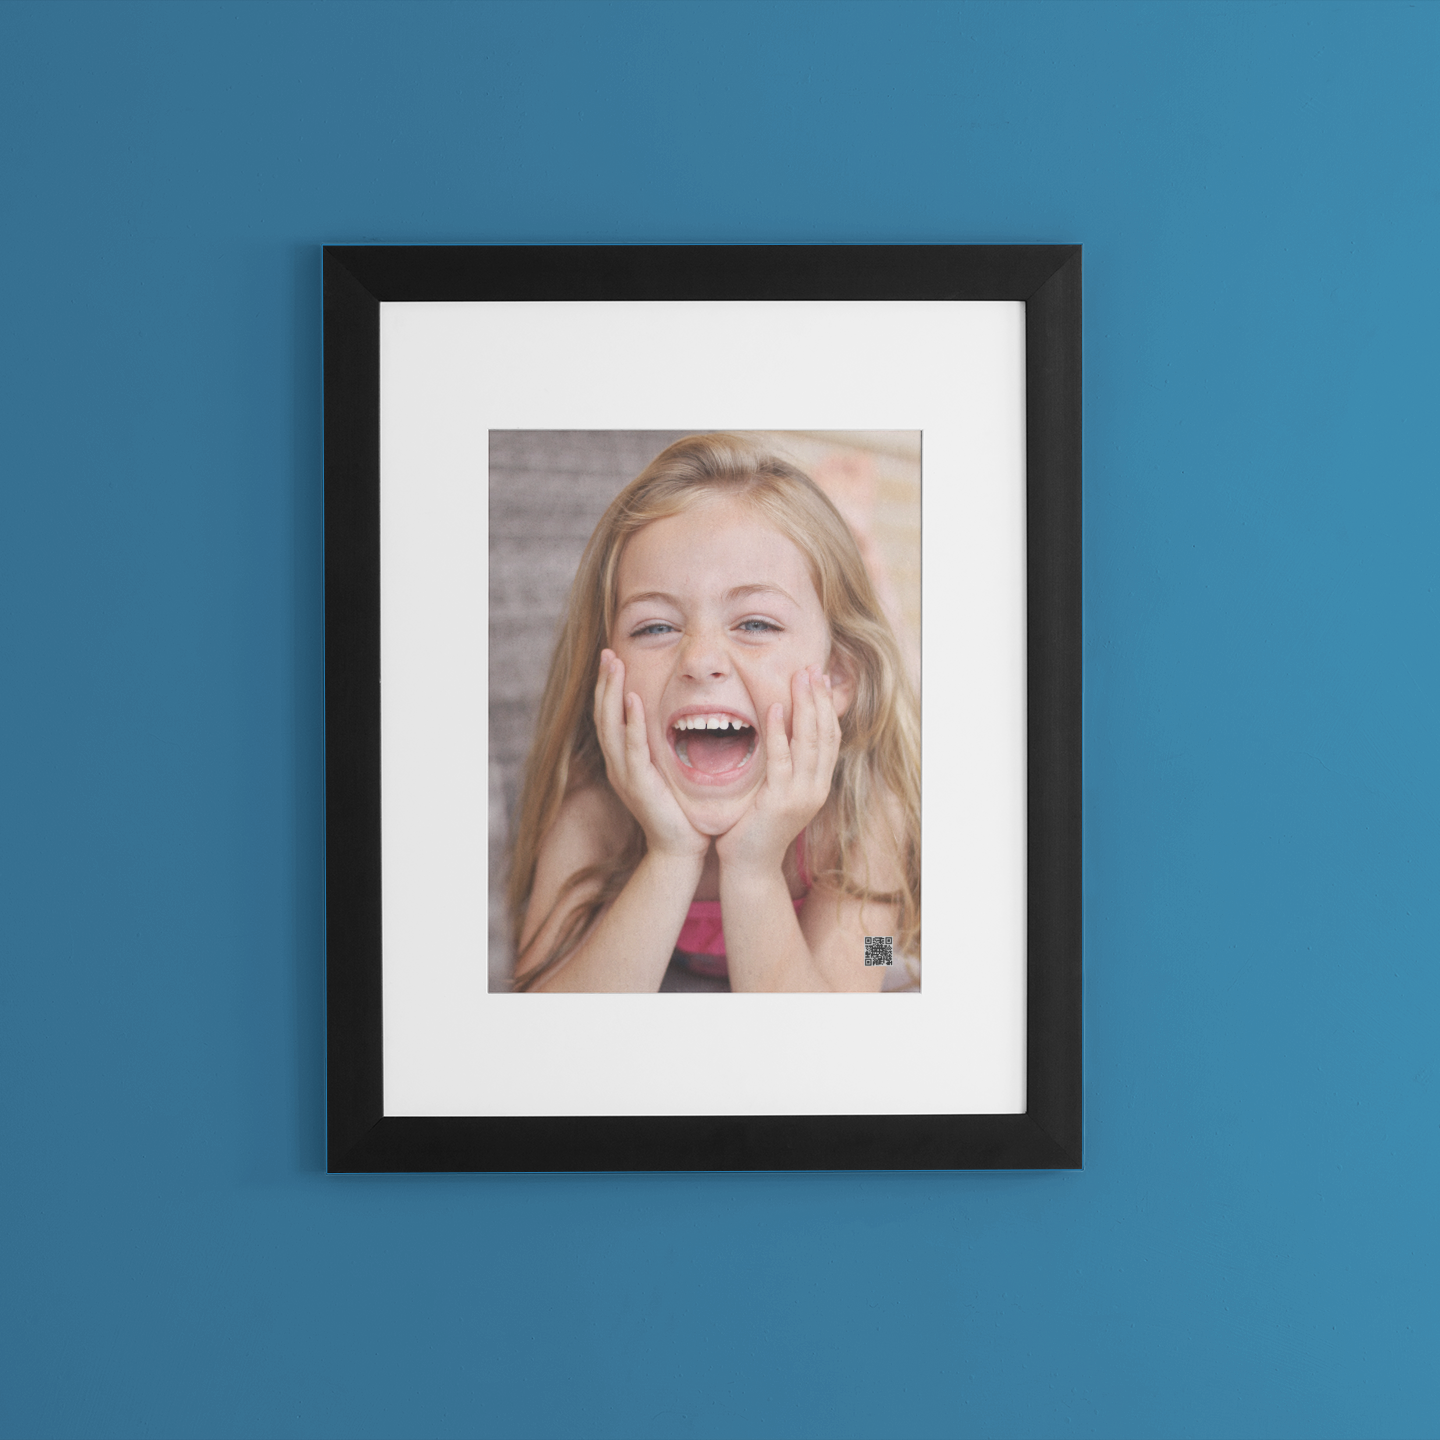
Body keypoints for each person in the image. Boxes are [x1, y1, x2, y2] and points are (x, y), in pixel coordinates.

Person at [507, 434, 920, 993]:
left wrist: (752, 869)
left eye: (755, 623)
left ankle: (857, 534)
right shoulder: (596, 809)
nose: (699, 660)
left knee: (898, 663)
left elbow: (843, 1025)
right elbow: (539, 1014)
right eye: (656, 627)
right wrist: (669, 852)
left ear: (837, 679)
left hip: (878, 947)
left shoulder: (867, 811)